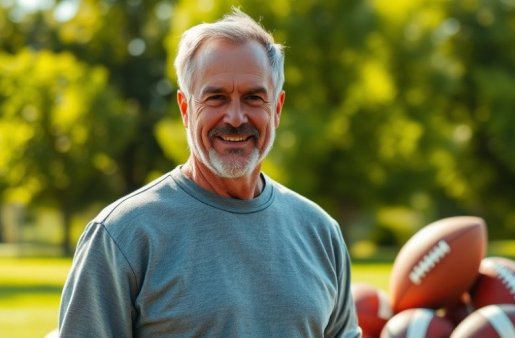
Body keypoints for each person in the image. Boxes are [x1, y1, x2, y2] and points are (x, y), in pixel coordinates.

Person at [58, 9, 360, 337]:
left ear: (277, 109)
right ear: (185, 109)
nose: (234, 117)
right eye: (215, 98)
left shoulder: (320, 232)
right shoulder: (123, 235)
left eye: (253, 97)